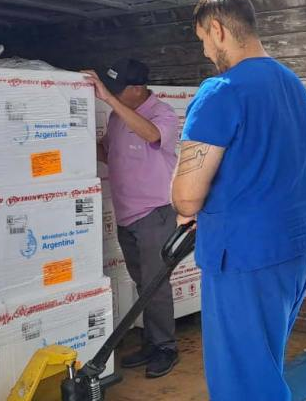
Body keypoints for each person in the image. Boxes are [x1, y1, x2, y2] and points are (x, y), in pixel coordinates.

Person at [170, 0, 306, 400]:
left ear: (218, 29)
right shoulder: (292, 85)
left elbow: (187, 197)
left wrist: (186, 206)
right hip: (298, 247)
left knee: (242, 385)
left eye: (203, 40)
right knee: (263, 368)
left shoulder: (221, 91)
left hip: (244, 255)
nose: (206, 52)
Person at [83, 59, 180, 377]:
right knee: (142, 283)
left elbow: (152, 135)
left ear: (138, 89)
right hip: (126, 215)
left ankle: (166, 347)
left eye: (117, 90)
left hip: (155, 214)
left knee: (155, 284)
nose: (111, 95)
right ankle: (152, 343)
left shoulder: (162, 114)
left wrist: (109, 100)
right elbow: (107, 152)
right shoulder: (117, 117)